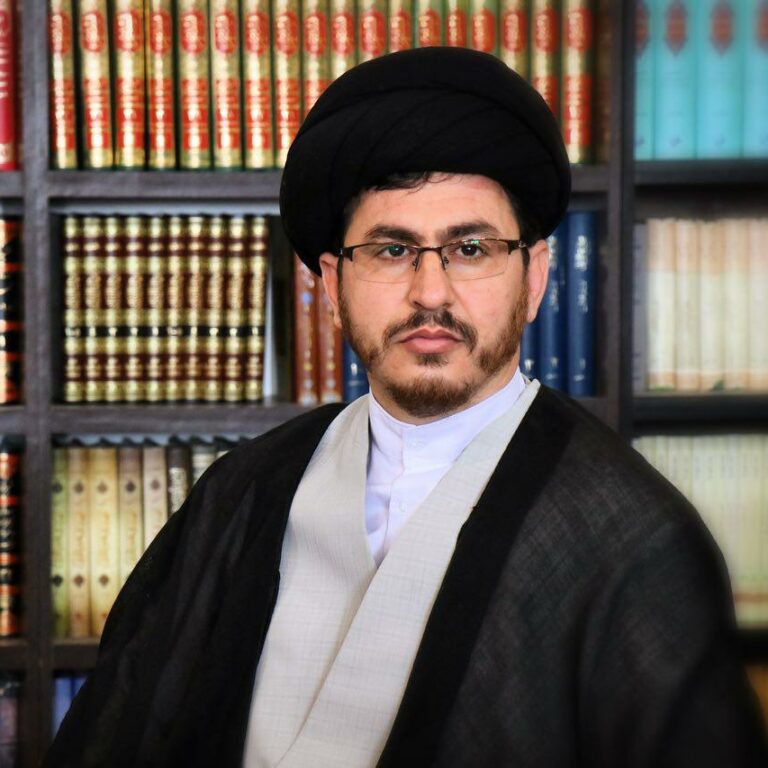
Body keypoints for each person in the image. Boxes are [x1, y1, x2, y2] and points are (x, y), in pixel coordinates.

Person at [45, 48, 766, 768]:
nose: (430, 293)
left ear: (535, 278)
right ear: (333, 287)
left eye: (471, 248)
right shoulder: (245, 491)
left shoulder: (634, 540)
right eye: (391, 251)